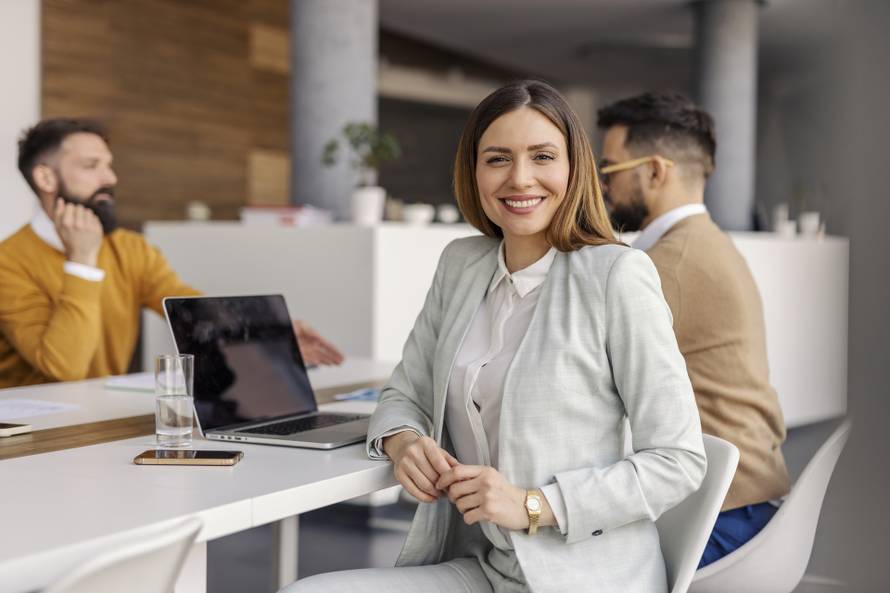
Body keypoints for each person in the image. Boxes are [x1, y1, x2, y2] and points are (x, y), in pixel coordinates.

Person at [281, 80, 705, 593]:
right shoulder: (461, 263)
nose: (520, 178)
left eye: (543, 156)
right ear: (474, 171)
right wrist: (403, 441)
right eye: (498, 158)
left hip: (583, 577)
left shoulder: (617, 275)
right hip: (484, 565)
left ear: (573, 169)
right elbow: (404, 392)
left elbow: (678, 461)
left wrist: (533, 504)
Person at [0, 118, 342, 389]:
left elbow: (188, 308)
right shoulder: (9, 262)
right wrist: (82, 263)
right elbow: (65, 367)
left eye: (109, 164)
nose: (111, 177)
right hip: (34, 438)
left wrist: (269, 330)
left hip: (101, 419)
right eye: (92, 166)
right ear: (45, 177)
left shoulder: (130, 248)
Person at [596, 91, 791, 567]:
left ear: (655, 171)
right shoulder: (707, 244)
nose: (602, 186)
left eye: (609, 170)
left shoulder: (665, 264)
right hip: (752, 498)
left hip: (717, 515)